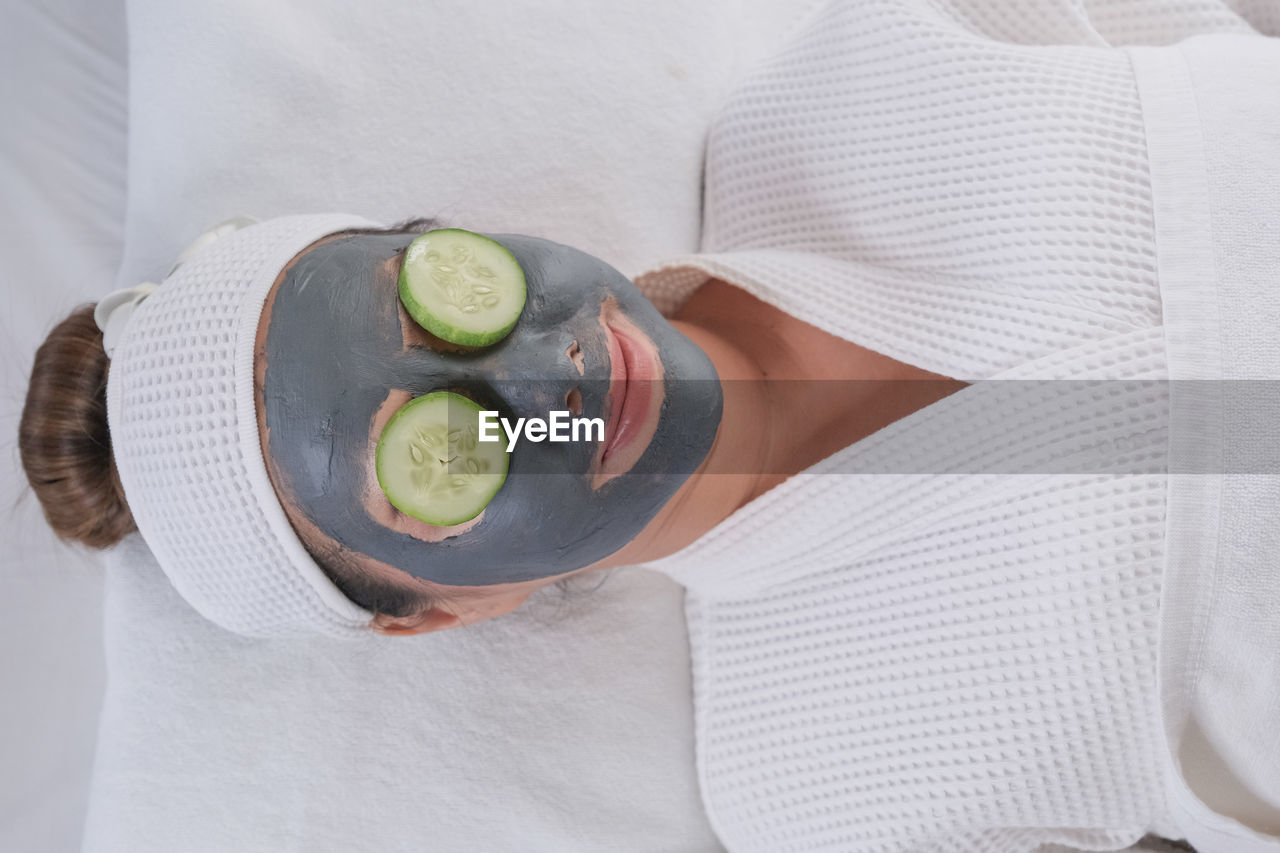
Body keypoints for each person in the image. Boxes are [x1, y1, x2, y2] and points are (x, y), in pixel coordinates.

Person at [17, 0, 1280, 851]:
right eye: (450, 457)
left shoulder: (857, 86)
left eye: (450, 297)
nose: (545, 372)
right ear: (445, 608)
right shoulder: (827, 782)